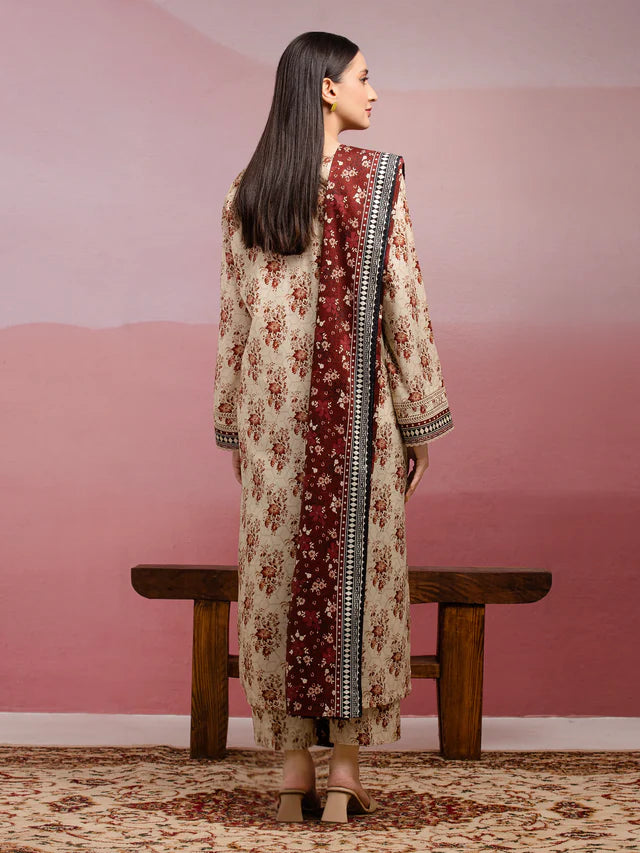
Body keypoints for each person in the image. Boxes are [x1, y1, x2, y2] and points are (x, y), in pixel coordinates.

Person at [213, 31, 454, 824]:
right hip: (356, 419)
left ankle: (290, 769)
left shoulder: (249, 189)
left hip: (271, 412)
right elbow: (403, 305)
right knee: (362, 574)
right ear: (324, 87)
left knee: (275, 575)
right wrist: (419, 418)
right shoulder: (377, 181)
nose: (373, 91)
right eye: (362, 76)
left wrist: (234, 426)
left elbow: (236, 323)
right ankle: (344, 766)